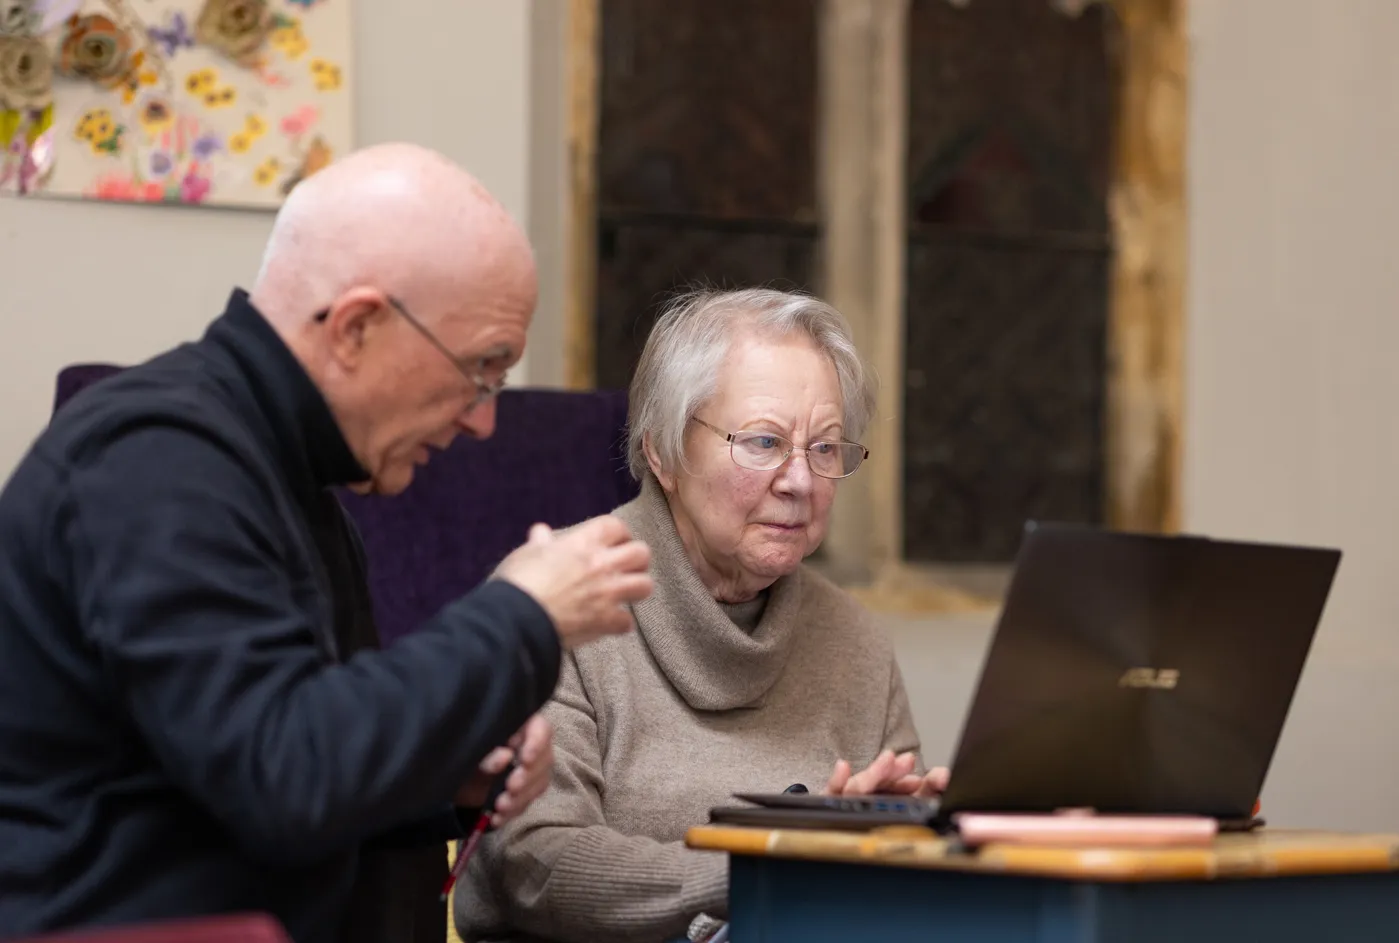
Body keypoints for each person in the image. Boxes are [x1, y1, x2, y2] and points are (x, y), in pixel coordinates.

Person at [0, 143, 653, 943]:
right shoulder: (157, 458)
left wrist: (441, 778)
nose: (482, 419)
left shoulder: (284, 472)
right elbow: (283, 780)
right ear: (356, 326)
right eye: (481, 369)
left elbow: (264, 758)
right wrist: (522, 612)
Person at [455, 288, 946, 943]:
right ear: (662, 451)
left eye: (825, 449)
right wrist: (769, 863)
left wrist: (906, 842)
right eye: (764, 441)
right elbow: (535, 864)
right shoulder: (559, 599)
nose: (799, 480)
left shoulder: (853, 639)